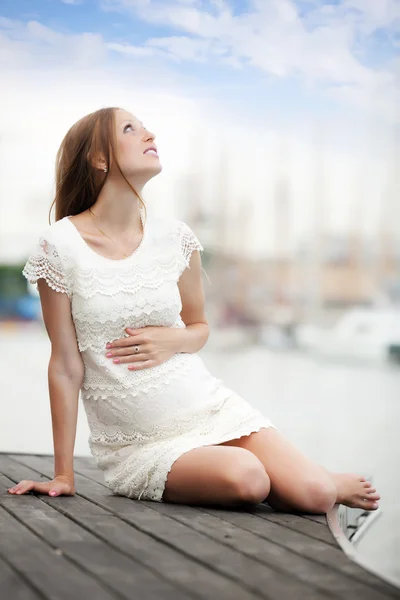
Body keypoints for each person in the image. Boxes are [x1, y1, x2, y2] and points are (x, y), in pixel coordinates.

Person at [8, 107, 380, 513]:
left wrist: (176, 339)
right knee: (248, 478)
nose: (150, 134)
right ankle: (294, 473)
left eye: (146, 126)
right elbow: (64, 365)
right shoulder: (59, 246)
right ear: (99, 159)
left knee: (316, 497)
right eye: (131, 129)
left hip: (211, 408)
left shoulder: (176, 237)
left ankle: (315, 479)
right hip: (140, 444)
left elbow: (199, 327)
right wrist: (64, 473)